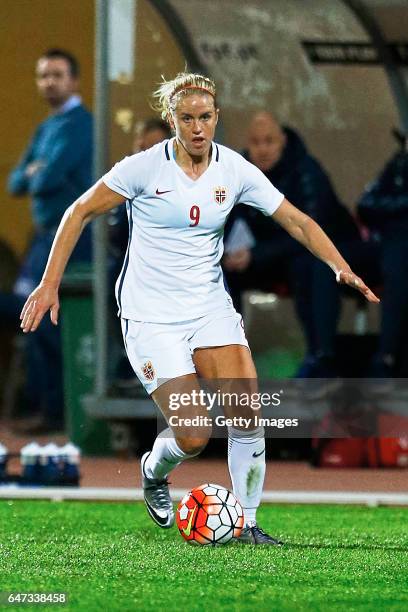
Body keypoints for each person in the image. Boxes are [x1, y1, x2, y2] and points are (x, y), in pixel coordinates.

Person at [19, 72, 378, 544]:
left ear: (216, 117)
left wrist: (339, 265)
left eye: (205, 117)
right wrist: (49, 284)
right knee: (193, 435)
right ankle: (153, 469)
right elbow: (78, 211)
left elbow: (297, 220)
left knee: (246, 413)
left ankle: (248, 525)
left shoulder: (234, 169)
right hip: (150, 314)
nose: (197, 127)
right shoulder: (143, 168)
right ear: (172, 120)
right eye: (186, 118)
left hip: (209, 306)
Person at [223, 112, 361, 377]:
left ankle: (321, 357)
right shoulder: (240, 175)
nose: (262, 149)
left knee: (310, 266)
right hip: (266, 258)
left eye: (269, 141)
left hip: (314, 254)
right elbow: (226, 220)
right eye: (255, 142)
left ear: (282, 141)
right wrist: (226, 254)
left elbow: (311, 232)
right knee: (218, 275)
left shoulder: (307, 171)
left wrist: (255, 255)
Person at [6, 48, 93, 432]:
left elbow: (46, 179)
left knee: (53, 324)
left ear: (73, 80)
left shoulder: (80, 124)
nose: (49, 82)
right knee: (29, 318)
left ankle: (58, 413)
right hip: (41, 240)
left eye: (57, 74)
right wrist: (32, 172)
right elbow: (14, 183)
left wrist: (35, 171)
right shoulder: (47, 127)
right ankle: (43, 406)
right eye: (43, 75)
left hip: (73, 241)